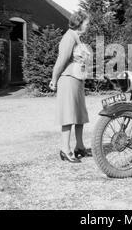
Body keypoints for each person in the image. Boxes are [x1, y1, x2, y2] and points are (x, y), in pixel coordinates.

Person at [49, 11, 92, 163]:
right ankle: (64, 149)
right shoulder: (69, 37)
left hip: (78, 80)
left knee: (79, 114)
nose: (88, 25)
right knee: (68, 114)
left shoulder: (77, 38)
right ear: (79, 23)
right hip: (68, 80)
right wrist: (54, 79)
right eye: (86, 23)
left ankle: (79, 147)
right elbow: (61, 61)